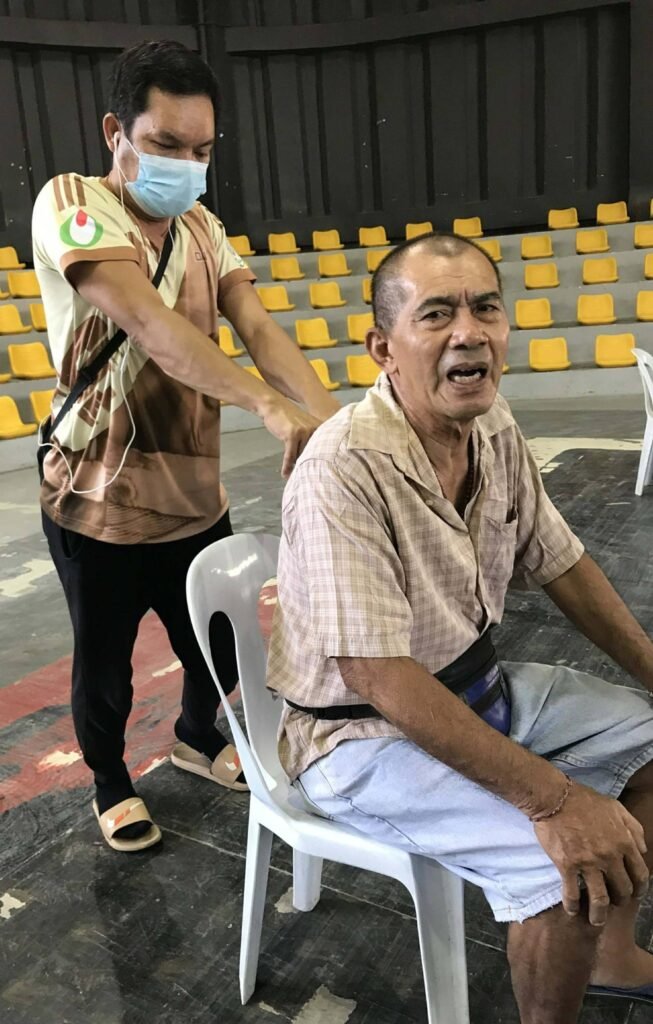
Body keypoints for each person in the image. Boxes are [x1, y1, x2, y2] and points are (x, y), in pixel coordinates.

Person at [267, 232, 653, 1021]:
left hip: (474, 687)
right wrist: (552, 800)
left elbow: (560, 562)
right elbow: (376, 676)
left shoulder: (492, 424)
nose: (468, 332)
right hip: (356, 735)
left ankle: (608, 953)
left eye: (484, 308)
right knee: (557, 865)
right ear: (383, 348)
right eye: (436, 314)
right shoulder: (342, 468)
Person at [32, 40, 340, 853]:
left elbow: (258, 327)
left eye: (202, 150)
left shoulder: (202, 227)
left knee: (218, 649)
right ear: (117, 133)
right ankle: (110, 781)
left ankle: (197, 739)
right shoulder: (72, 202)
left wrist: (334, 423)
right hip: (96, 498)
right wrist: (268, 408)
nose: (187, 166)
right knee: (106, 666)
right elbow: (150, 324)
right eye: (166, 144)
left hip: (193, 495)